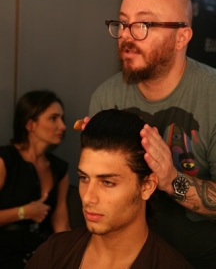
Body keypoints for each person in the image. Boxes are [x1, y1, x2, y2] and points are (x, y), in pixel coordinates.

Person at [88, 0, 216, 268]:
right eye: (122, 22)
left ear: (181, 36)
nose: (126, 36)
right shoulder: (105, 98)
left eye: (143, 24)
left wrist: (171, 180)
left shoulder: (211, 96)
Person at [25, 109, 193, 269]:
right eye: (84, 178)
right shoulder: (53, 253)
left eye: (107, 183)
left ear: (147, 187)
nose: (88, 198)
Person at [0, 90, 71, 268]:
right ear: (30, 124)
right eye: (53, 118)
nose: (62, 126)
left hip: (41, 258)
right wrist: (23, 212)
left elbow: (61, 225)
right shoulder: (4, 160)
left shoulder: (59, 169)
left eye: (62, 118)